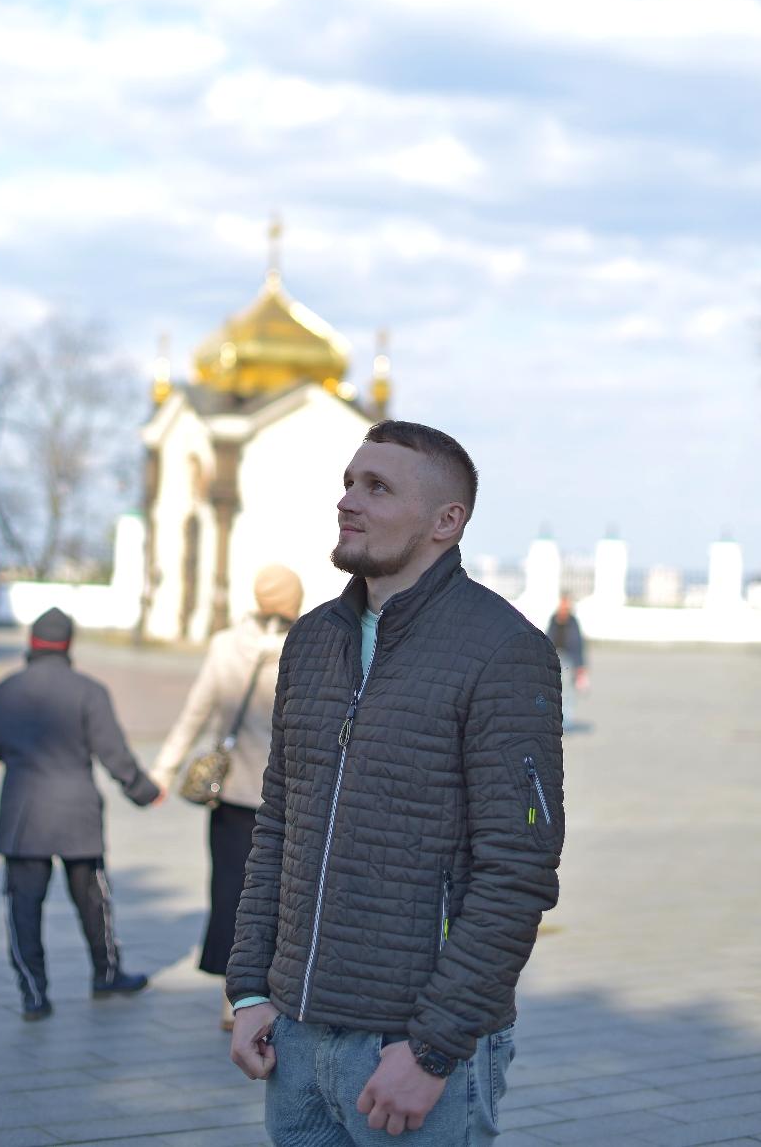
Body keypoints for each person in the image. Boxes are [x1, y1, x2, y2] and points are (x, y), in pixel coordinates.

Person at [227, 420, 564, 1145]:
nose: (349, 501)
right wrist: (251, 989)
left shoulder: (505, 650)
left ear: (448, 521)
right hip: (293, 1036)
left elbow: (518, 869)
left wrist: (433, 1049)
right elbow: (278, 826)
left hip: (408, 1052)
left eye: (377, 488)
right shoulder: (312, 639)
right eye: (350, 483)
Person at [0, 607, 162, 1020]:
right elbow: (114, 753)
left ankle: (34, 994)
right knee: (94, 901)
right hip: (77, 816)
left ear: (32, 643)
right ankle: (106, 973)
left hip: (24, 820)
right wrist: (144, 791)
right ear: (68, 644)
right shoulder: (89, 691)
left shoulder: (5, 690)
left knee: (23, 908)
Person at [150, 564, 303, 1030]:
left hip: (232, 794)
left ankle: (230, 999)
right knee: (282, 895)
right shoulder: (307, 648)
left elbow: (195, 712)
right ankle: (271, 994)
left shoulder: (225, 645)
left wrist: (164, 769)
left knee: (229, 891)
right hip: (288, 795)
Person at [546, 592, 588, 731]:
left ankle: (567, 721)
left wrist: (581, 666)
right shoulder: (554, 619)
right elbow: (548, 638)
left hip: (569, 660)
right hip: (555, 658)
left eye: (566, 604)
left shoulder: (573, 621)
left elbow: (578, 644)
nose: (564, 606)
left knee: (568, 691)